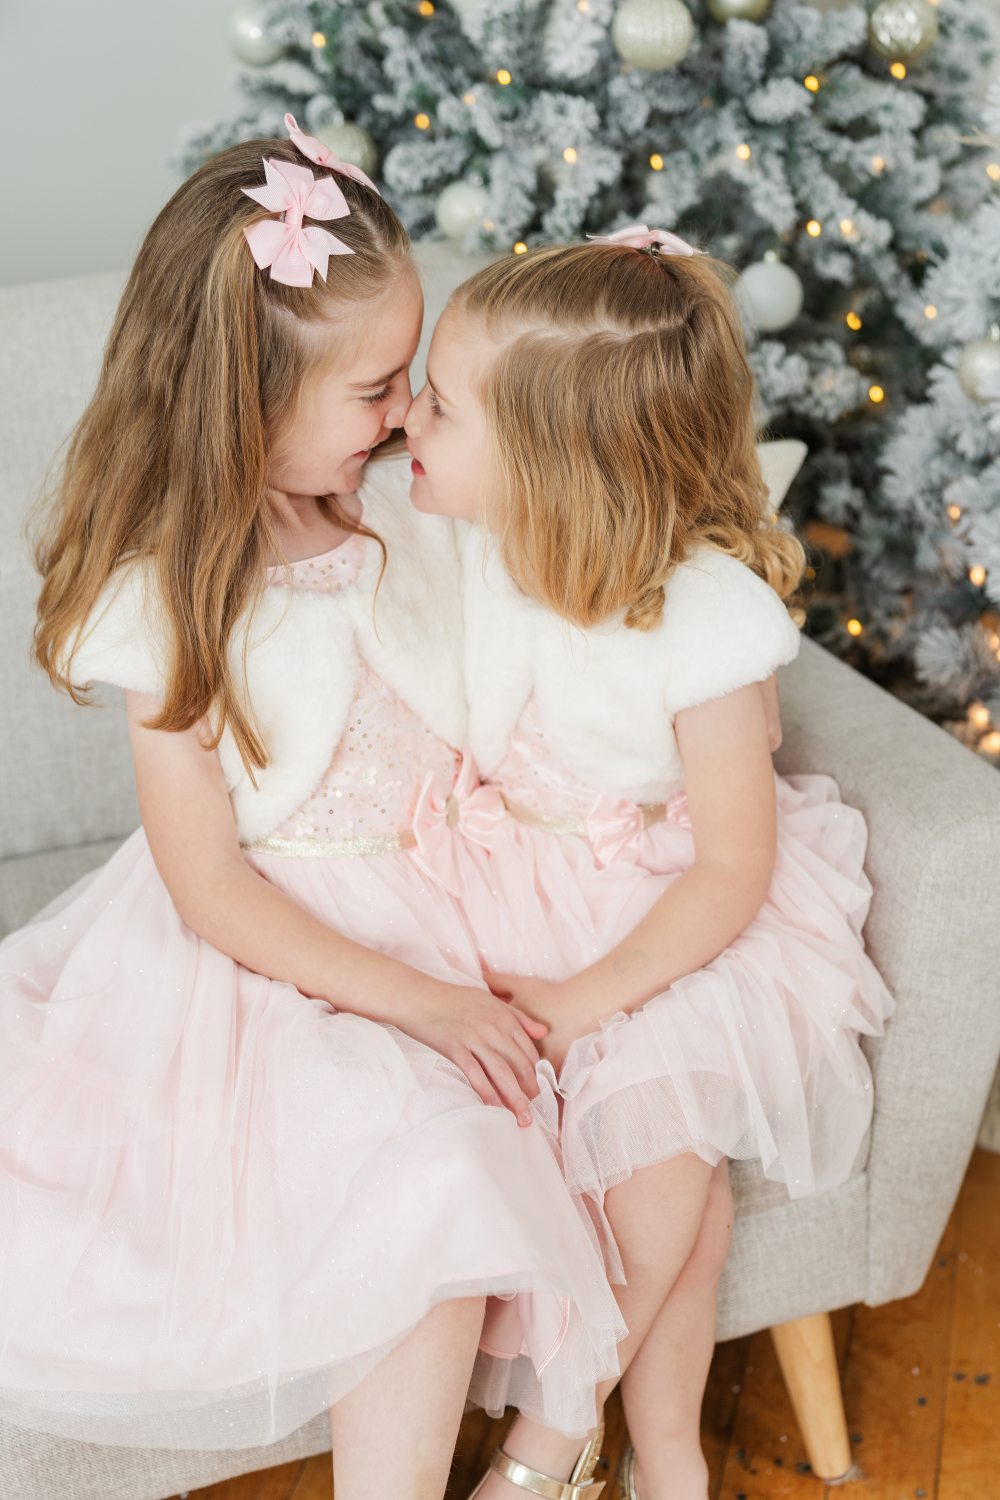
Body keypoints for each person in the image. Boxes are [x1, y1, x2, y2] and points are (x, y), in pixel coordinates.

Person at [0, 125, 625, 1500]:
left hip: (464, 894)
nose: (409, 413)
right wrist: (421, 1002)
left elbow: (538, 641)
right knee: (426, 1170)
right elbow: (210, 889)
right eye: (378, 387)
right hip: (277, 965)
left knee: (602, 1106)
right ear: (248, 399)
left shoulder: (414, 506)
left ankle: (546, 1454)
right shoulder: (170, 596)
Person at [405, 230, 895, 1500]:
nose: (408, 415)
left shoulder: (705, 616)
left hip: (674, 914)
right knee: (699, 1213)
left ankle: (558, 1434)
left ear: (546, 461)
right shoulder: (459, 540)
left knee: (667, 1154)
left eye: (438, 405)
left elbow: (733, 870)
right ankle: (667, 1456)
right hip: (509, 884)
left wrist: (582, 1000)